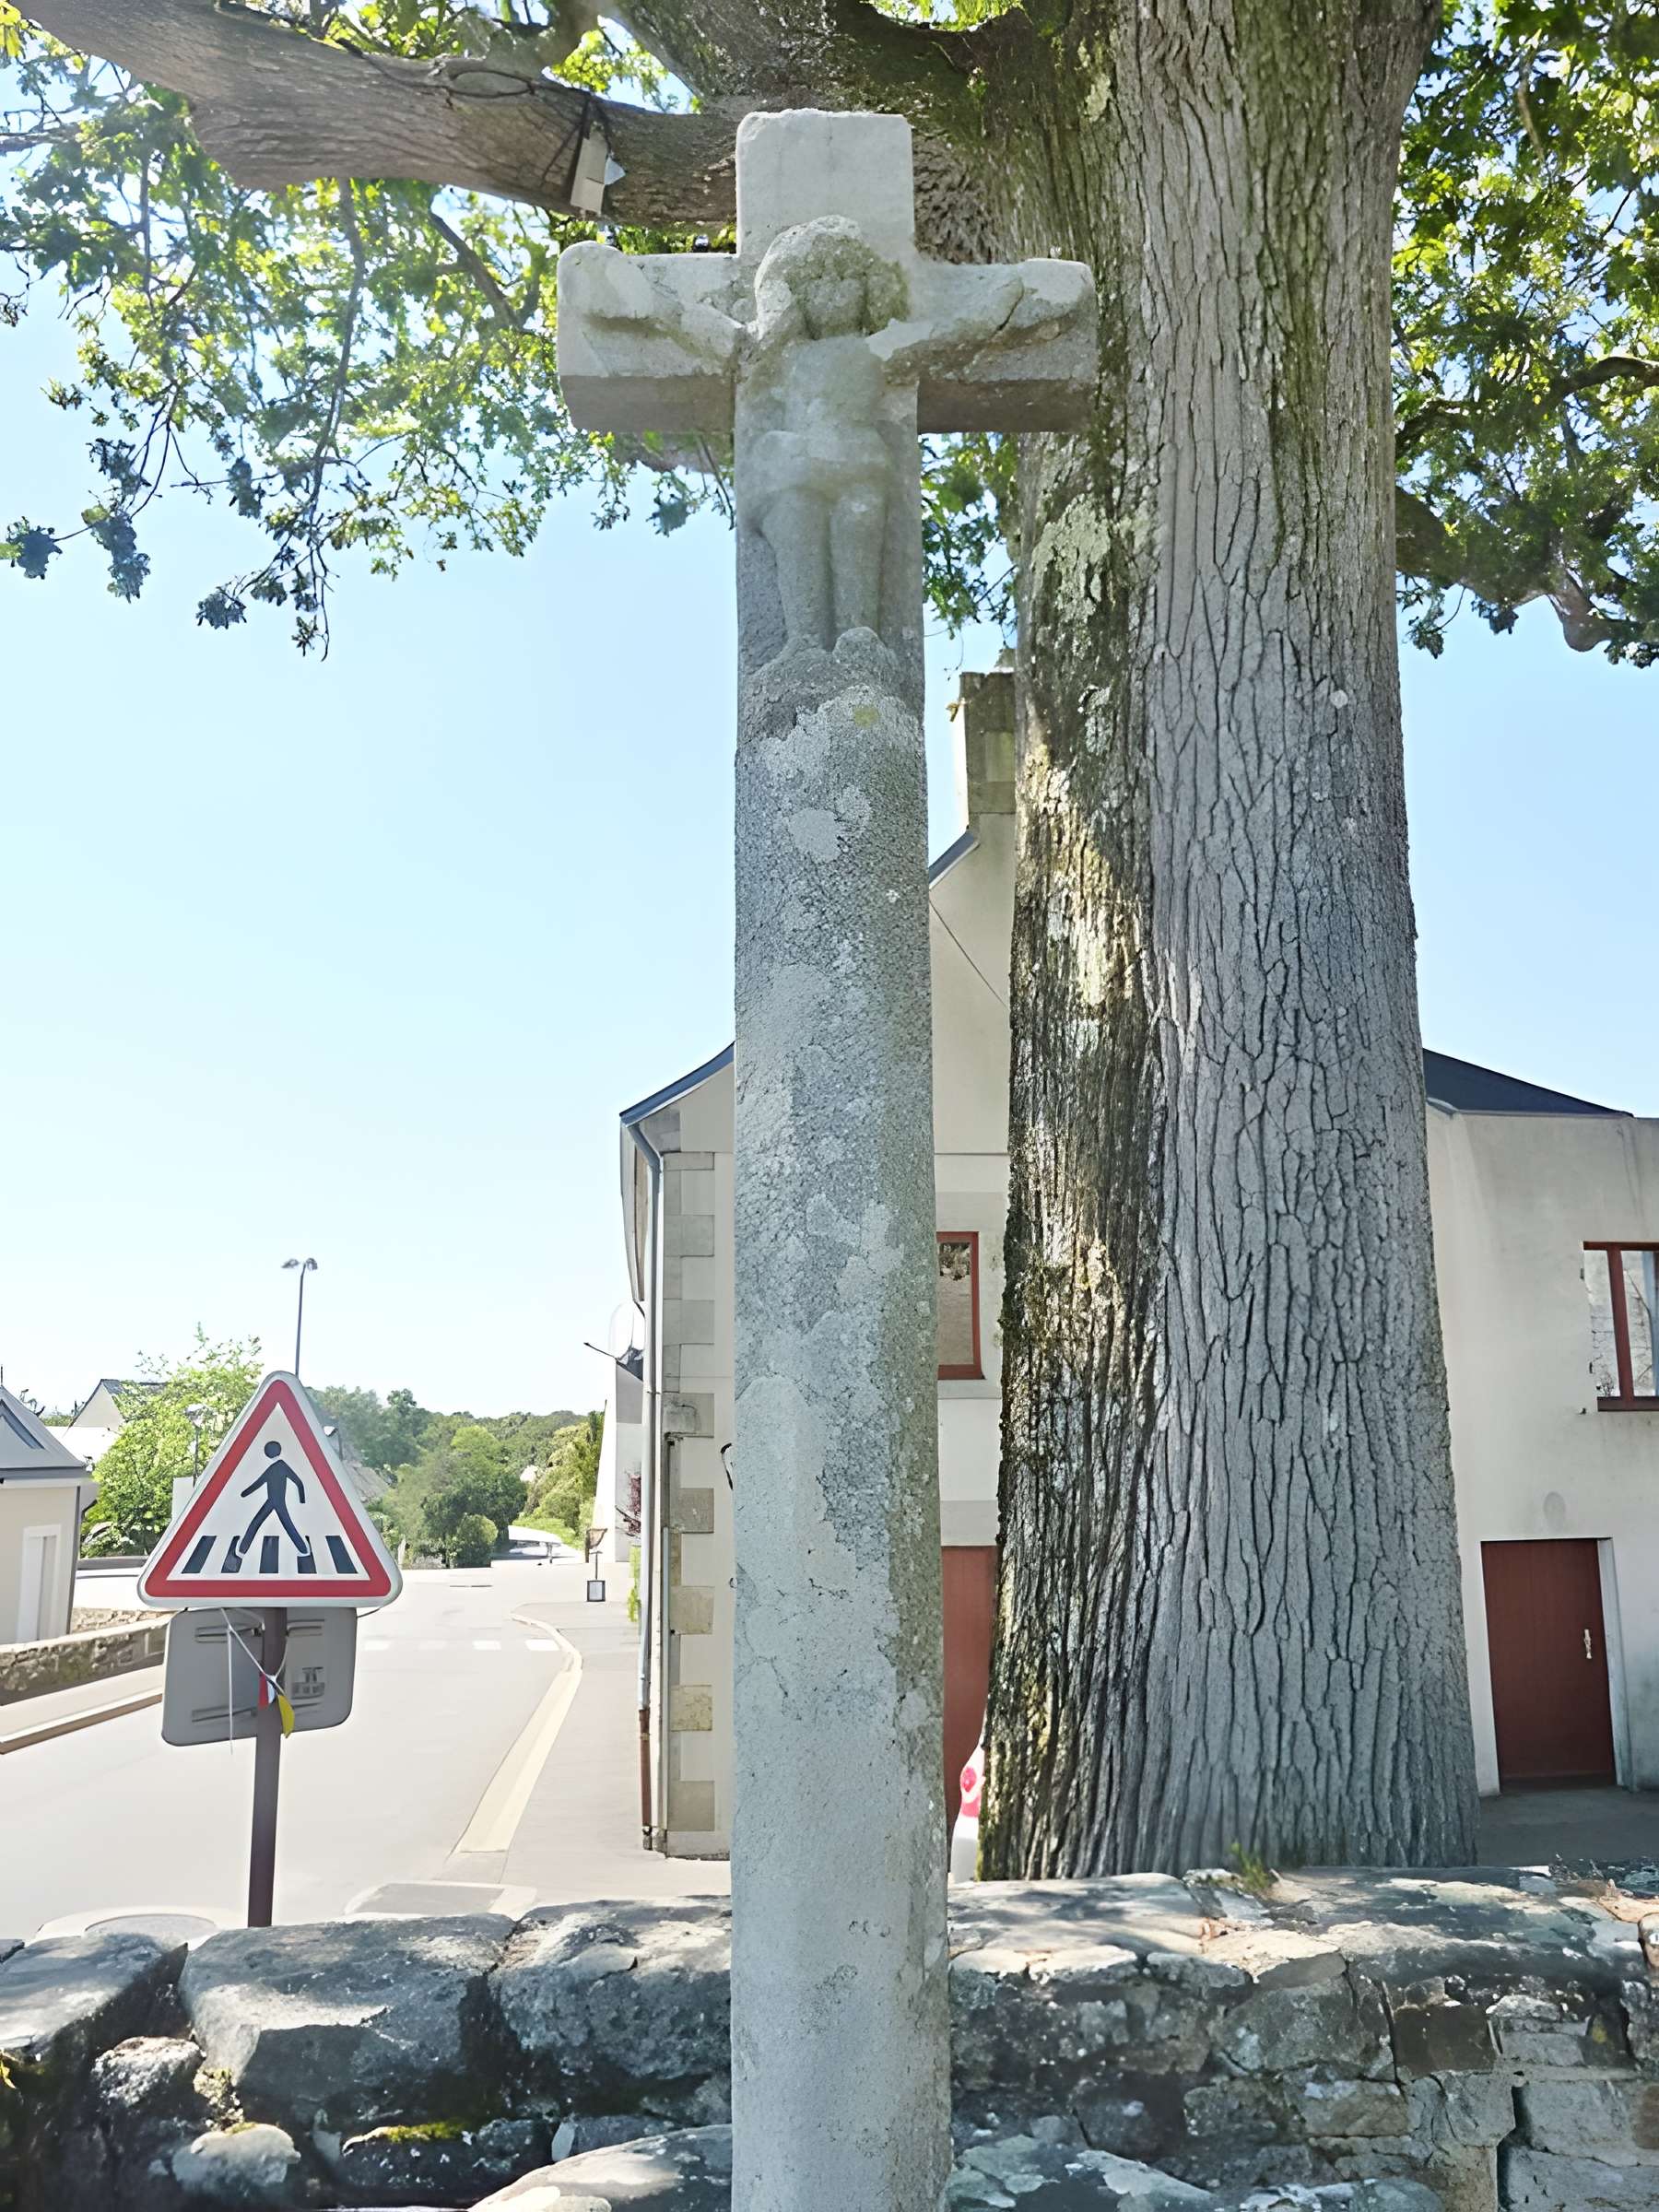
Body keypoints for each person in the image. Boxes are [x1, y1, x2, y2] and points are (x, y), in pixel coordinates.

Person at [235, 1439, 312, 1560]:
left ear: (268, 1453)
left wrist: (244, 1494)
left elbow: (259, 1483)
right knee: (283, 1525)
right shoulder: (283, 1466)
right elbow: (299, 1482)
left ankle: (242, 1550)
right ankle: (303, 1549)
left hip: (274, 1502)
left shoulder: (273, 1468)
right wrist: (302, 1499)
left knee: (257, 1523)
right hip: (275, 1502)